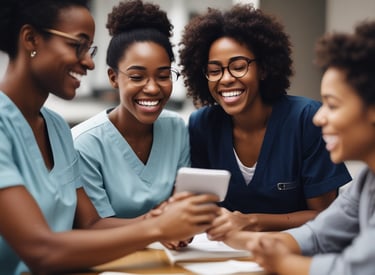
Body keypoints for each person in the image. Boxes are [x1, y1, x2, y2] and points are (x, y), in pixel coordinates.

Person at [0, 1, 220, 274]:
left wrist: (161, 219)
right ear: (31, 39)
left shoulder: (55, 127)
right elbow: (41, 251)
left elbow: (90, 224)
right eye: (77, 46)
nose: (89, 62)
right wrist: (157, 227)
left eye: (90, 49)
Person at [178, 3, 352, 235]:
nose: (226, 79)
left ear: (263, 69)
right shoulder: (202, 125)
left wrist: (252, 222)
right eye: (214, 70)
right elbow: (198, 207)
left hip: (296, 253)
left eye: (238, 66)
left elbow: (325, 217)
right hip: (224, 258)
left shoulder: (307, 119)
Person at [218, 20, 375, 275]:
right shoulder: (367, 181)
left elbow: (355, 270)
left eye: (332, 105)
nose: (318, 117)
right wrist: (239, 236)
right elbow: (317, 235)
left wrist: (282, 263)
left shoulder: (300, 118)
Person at [72, 0, 191, 250]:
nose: (152, 88)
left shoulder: (177, 129)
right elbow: (93, 225)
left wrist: (181, 226)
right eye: (137, 77)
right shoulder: (84, 143)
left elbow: (183, 206)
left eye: (163, 75)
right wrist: (158, 229)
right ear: (113, 78)